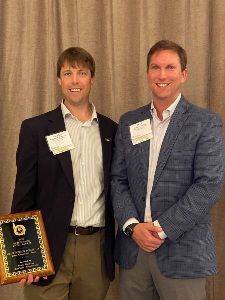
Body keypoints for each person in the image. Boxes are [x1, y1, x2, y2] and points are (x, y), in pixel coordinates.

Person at [110, 40, 225, 300]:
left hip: (182, 252)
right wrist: (132, 227)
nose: (162, 75)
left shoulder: (205, 123)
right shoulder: (129, 122)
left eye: (170, 67)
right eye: (155, 67)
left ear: (183, 74)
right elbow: (118, 180)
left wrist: (161, 228)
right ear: (148, 73)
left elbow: (208, 186)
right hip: (133, 252)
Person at [11, 47, 117, 300]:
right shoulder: (35, 129)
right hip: (48, 246)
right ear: (59, 79)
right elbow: (23, 194)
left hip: (96, 248)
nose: (75, 80)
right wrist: (24, 256)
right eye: (67, 73)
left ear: (92, 78)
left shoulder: (112, 130)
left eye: (82, 73)